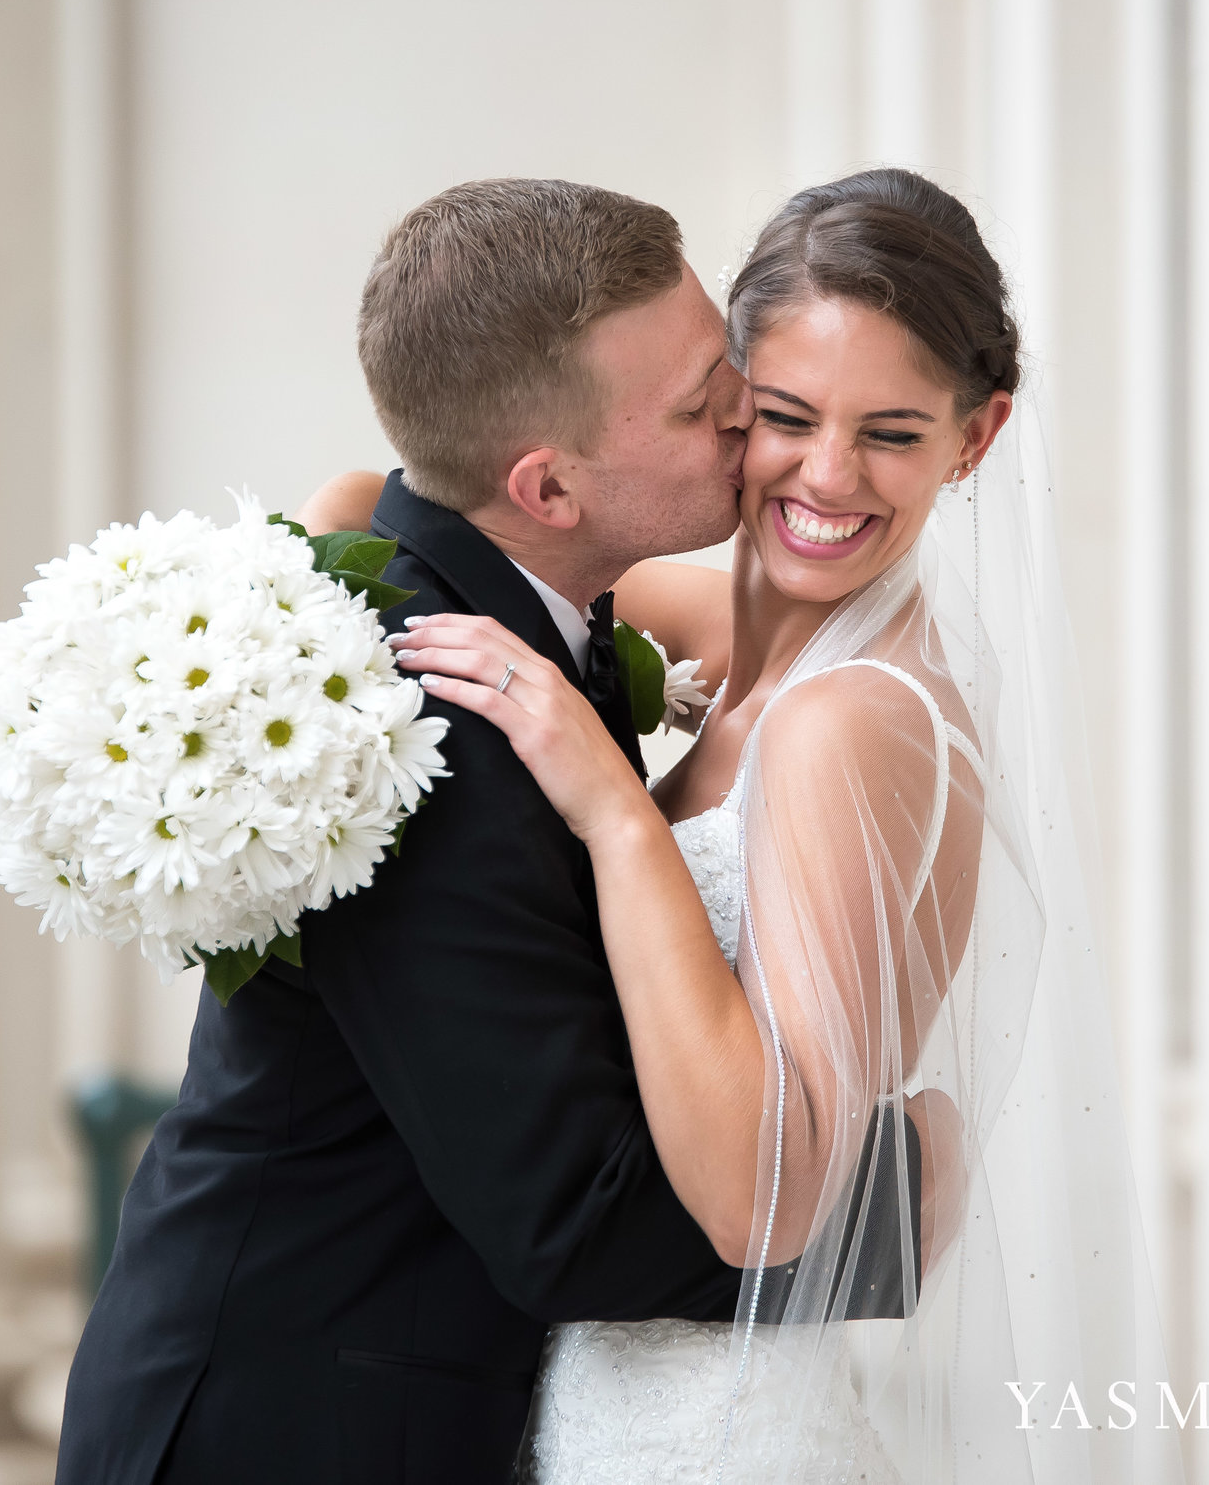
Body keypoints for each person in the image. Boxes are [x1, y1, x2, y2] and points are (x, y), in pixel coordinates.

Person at [352, 168, 1178, 1481]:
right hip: (604, 1380)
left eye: (894, 434)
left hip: (709, 1416)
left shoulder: (844, 720)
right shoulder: (762, 627)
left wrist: (622, 816)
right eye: (781, 415)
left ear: (978, 435)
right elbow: (398, 509)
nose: (826, 477)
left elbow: (762, 1199)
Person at [55, 179, 759, 1485]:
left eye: (726, 356)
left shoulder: (521, 612)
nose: (746, 407)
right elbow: (575, 1227)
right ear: (545, 487)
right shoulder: (423, 729)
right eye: (697, 399)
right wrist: (899, 1223)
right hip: (286, 1434)